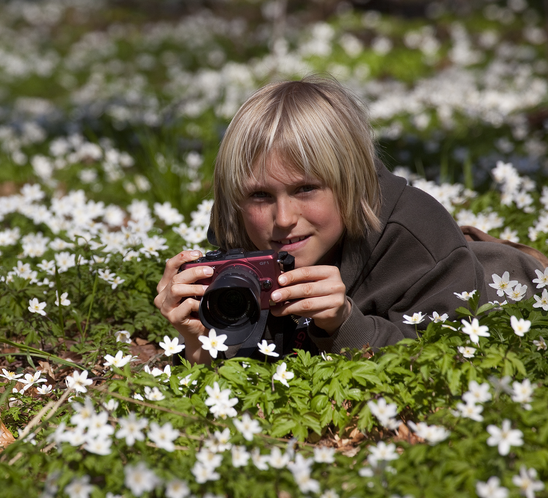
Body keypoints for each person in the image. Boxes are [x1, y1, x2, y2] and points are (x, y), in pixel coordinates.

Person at [154, 74, 546, 365]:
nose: (283, 219)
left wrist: (344, 323)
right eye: (259, 194)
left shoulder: (415, 235)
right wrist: (200, 342)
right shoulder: (241, 234)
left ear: (350, 182)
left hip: (511, 287)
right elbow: (258, 354)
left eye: (306, 188)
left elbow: (449, 356)